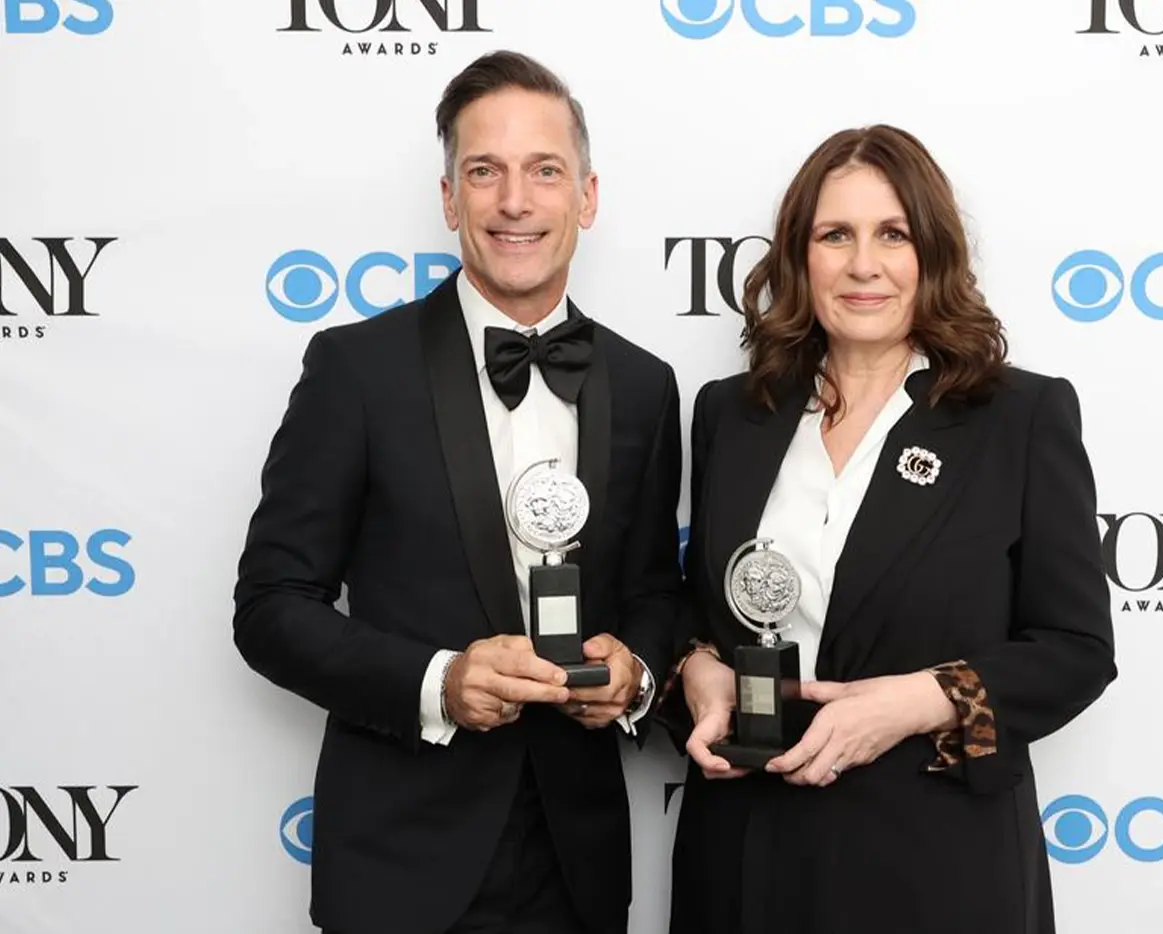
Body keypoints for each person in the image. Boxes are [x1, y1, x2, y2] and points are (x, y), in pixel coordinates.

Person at [232, 51, 682, 934]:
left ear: (586, 198)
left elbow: (654, 594)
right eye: (485, 172)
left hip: (578, 869)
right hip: (403, 864)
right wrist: (441, 682)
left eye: (544, 171)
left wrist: (634, 676)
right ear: (450, 199)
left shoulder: (646, 384)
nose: (515, 201)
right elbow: (271, 607)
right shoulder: (355, 370)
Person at [657, 125, 1117, 934]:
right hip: (744, 854)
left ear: (931, 254)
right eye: (836, 235)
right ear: (801, 256)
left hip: (935, 865)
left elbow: (1075, 651)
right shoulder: (732, 413)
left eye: (892, 234)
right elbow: (689, 609)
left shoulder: (1018, 417)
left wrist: (918, 701)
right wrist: (696, 670)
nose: (863, 265)